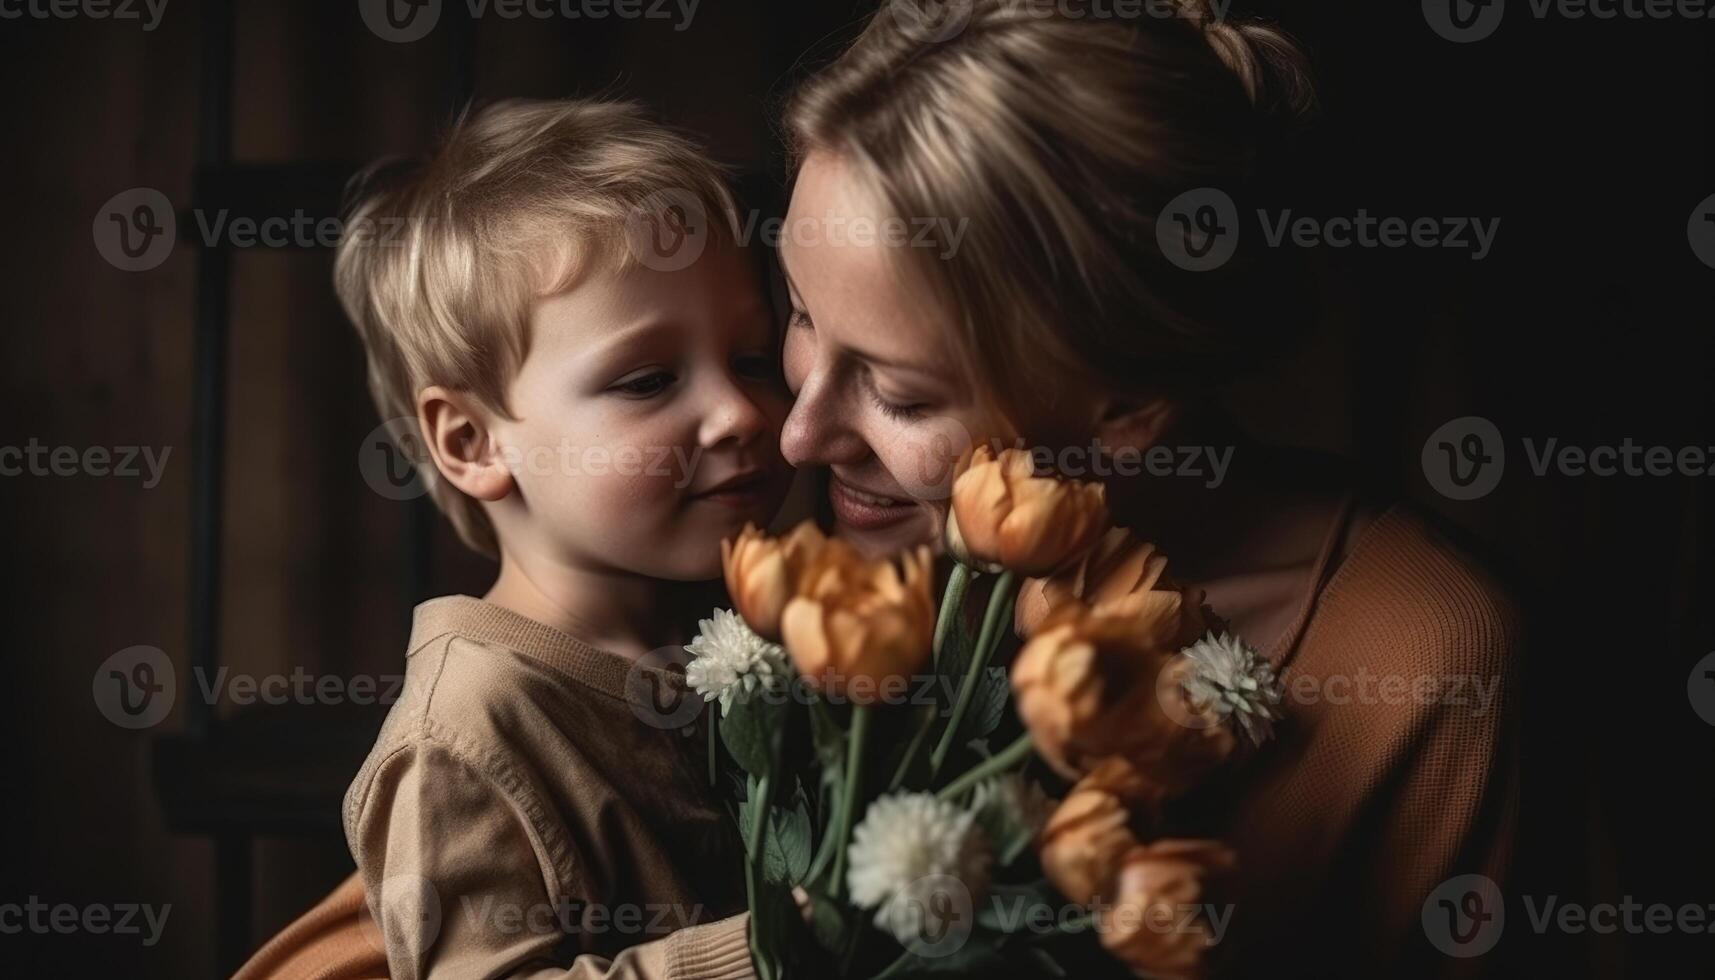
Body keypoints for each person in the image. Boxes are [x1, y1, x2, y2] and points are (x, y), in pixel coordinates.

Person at [774, 1, 1520, 976]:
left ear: (1126, 404)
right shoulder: (794, 543)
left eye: (900, 393)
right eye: (797, 314)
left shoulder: (1424, 655)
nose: (798, 432)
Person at [238, 97, 790, 979]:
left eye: (756, 361)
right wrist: (784, 949)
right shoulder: (461, 733)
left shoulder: (740, 632)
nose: (739, 413)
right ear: (472, 442)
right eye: (649, 380)